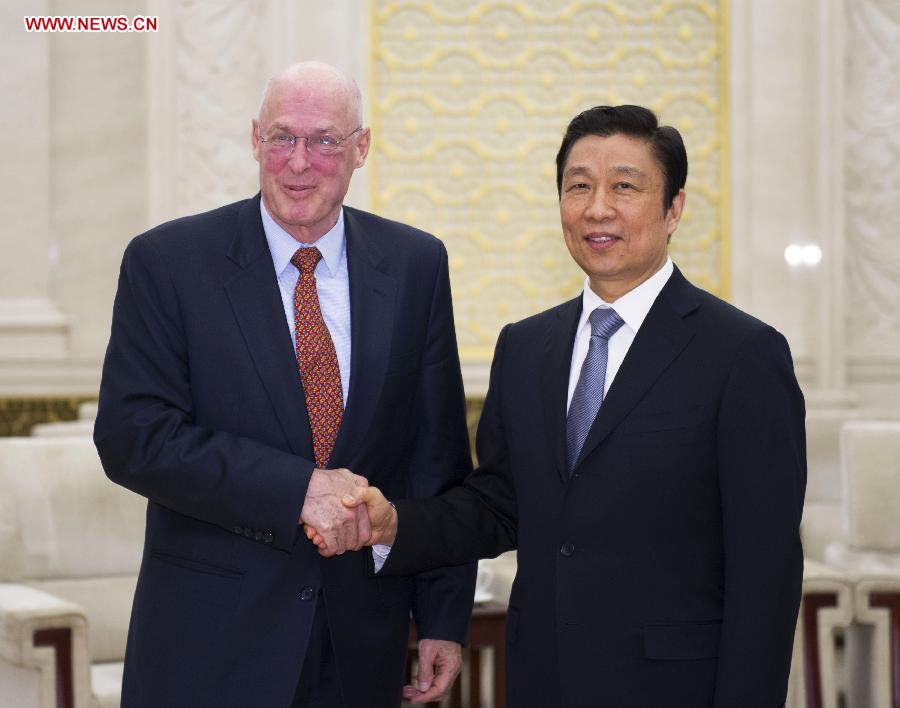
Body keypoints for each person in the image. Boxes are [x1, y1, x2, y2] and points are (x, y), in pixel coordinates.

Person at [311, 105, 807, 707]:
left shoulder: (742, 354)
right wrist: (395, 524)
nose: (598, 207)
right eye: (579, 186)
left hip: (675, 686)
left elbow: (767, 574)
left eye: (625, 185)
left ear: (674, 208)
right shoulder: (525, 347)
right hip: (544, 678)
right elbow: (496, 505)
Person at [94, 61, 476, 708]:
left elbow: (434, 457)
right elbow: (135, 437)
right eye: (281, 138)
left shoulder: (415, 266)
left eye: (324, 140)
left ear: (361, 148)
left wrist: (442, 615)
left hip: (359, 645)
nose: (298, 162)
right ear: (254, 140)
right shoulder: (167, 264)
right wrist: (298, 489)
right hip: (207, 643)